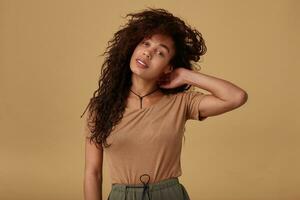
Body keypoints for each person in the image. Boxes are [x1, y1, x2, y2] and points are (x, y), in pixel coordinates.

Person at [81, 7, 248, 200]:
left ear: (169, 66)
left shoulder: (181, 102)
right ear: (133, 47)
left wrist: (186, 75)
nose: (148, 53)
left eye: (160, 52)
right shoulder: (101, 107)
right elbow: (93, 173)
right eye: (145, 43)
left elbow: (236, 97)